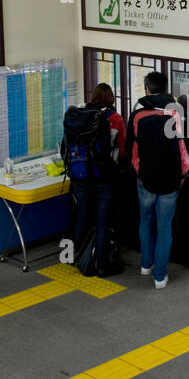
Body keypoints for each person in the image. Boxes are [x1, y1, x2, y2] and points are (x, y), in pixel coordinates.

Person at [129, 72, 189, 289]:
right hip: (170, 178)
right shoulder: (174, 113)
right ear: (165, 89)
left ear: (146, 89)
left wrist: (139, 172)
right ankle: (160, 277)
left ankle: (146, 265)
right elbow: (181, 147)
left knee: (145, 220)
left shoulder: (136, 115)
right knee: (164, 226)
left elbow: (131, 148)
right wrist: (183, 174)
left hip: (145, 178)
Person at [67, 83, 125, 276]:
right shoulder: (114, 119)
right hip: (104, 177)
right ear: (111, 99)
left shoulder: (78, 115)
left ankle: (76, 257)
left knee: (82, 216)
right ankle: (101, 266)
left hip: (80, 175)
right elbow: (122, 150)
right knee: (103, 222)